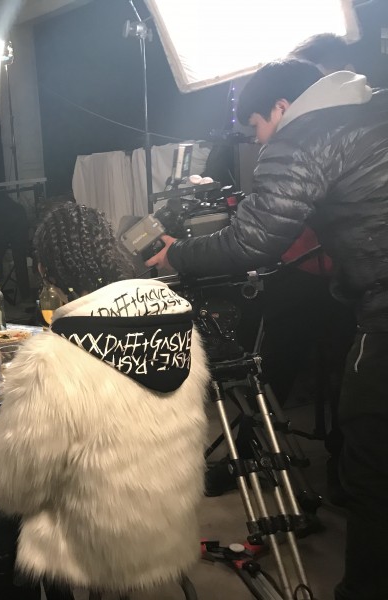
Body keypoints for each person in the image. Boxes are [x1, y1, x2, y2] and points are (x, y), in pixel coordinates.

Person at [145, 59, 388, 600]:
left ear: (281, 107)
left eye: (256, 125)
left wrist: (177, 254)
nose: (258, 139)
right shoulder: (373, 105)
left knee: (372, 464)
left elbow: (251, 241)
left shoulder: (305, 132)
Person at [0, 204, 209, 598]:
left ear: (46, 273)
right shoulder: (182, 330)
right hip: (171, 526)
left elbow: (11, 490)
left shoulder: (54, 359)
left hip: (95, 545)